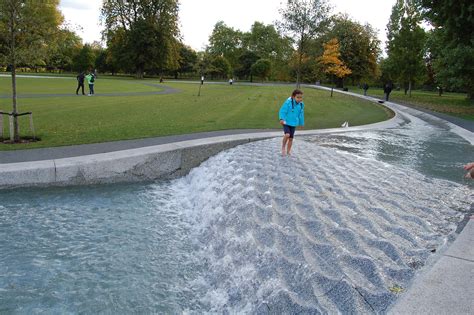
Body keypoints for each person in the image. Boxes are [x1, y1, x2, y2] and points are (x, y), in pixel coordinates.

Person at [279, 89, 305, 156]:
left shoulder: (301, 105)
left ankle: (288, 151)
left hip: (293, 123)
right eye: (298, 97)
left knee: (291, 138)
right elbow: (282, 111)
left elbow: (301, 115)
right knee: (287, 135)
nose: (299, 99)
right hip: (286, 122)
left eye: (301, 97)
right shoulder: (288, 102)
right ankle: (283, 148)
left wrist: (301, 123)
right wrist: (281, 119)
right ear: (293, 97)